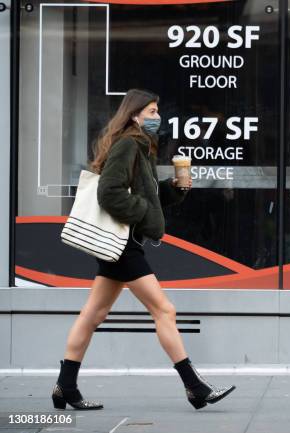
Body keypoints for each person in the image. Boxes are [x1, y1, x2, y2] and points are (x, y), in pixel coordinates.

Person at [51, 88, 235, 411]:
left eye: (157, 111)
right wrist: (144, 213)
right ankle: (195, 387)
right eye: (151, 112)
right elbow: (109, 193)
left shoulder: (142, 147)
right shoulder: (128, 145)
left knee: (94, 314)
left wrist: (175, 189)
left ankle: (64, 386)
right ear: (135, 115)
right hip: (123, 245)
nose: (157, 118)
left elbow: (146, 195)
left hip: (125, 242)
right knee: (164, 310)